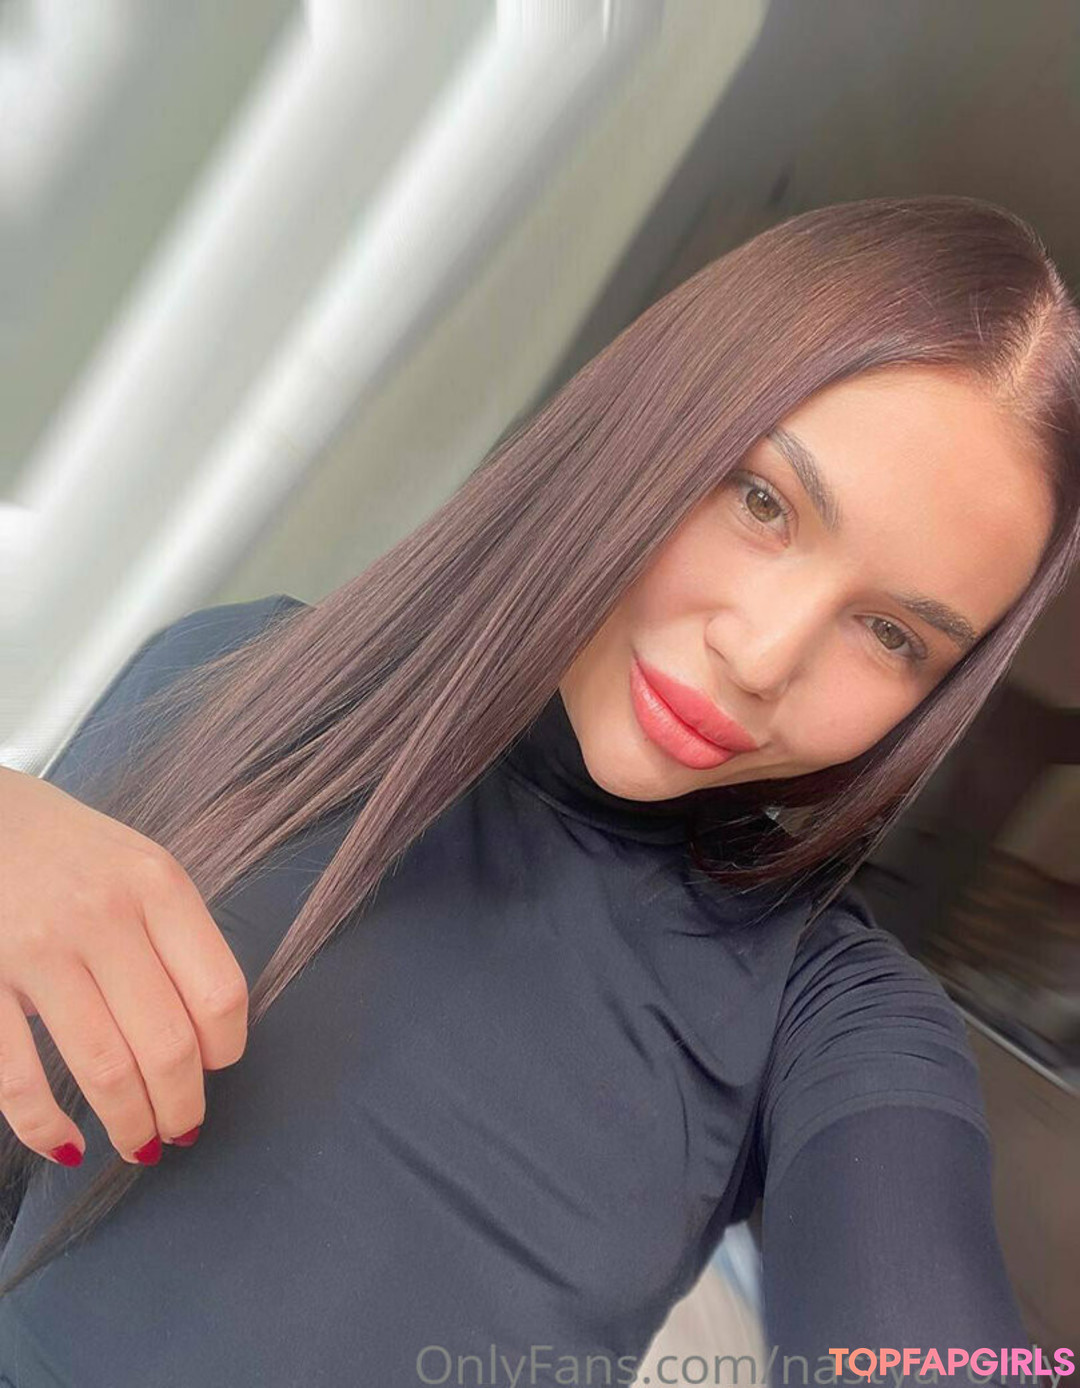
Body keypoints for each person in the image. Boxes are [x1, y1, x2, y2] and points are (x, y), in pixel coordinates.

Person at [0, 195, 1077, 1387]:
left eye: (891, 635)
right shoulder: (225, 676)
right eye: (763, 500)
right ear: (653, 415)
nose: (762, 655)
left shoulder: (829, 1011)